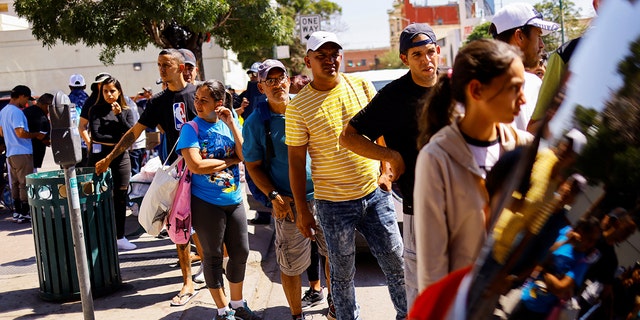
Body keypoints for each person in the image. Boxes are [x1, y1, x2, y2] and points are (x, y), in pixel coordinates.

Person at [286, 31, 407, 320]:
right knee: (341, 274)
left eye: (334, 54)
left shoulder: (361, 84)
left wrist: (385, 172)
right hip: (332, 204)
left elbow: (379, 131)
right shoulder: (298, 107)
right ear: (308, 61)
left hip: (375, 195)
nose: (330, 60)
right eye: (321, 56)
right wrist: (303, 210)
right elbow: (295, 162)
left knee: (396, 264)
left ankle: (409, 314)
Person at [413, 39, 533, 293]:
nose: (523, 100)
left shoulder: (524, 148)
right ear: (477, 90)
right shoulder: (437, 159)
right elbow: (432, 265)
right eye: (514, 88)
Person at [339, 22, 440, 309]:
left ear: (438, 51)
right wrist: (391, 156)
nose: (426, 60)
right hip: (418, 207)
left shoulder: (453, 90)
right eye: (417, 54)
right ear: (404, 59)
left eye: (430, 52)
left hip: (458, 206)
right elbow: (348, 137)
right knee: (420, 291)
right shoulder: (393, 96)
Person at [94, 49, 200, 306]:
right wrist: (109, 158)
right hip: (178, 170)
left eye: (166, 65)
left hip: (206, 168)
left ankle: (216, 263)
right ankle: (187, 282)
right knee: (179, 223)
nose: (162, 69)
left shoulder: (200, 93)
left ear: (181, 67)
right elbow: (134, 132)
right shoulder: (158, 101)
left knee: (208, 223)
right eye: (159, 65)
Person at [242, 59, 330, 320]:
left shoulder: (305, 106)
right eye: (270, 80)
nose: (277, 84)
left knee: (333, 256)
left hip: (326, 196)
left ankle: (336, 306)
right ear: (261, 87)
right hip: (289, 203)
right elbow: (253, 165)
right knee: (291, 264)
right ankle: (296, 315)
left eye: (281, 78)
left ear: (289, 80)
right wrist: (273, 196)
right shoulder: (257, 121)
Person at [177, 79, 260, 320]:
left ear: (218, 103)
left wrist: (232, 123)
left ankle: (237, 304)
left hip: (233, 199)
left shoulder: (228, 122)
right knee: (212, 255)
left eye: (204, 100)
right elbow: (196, 165)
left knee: (241, 252)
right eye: (196, 99)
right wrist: (231, 160)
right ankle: (223, 311)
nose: (198, 104)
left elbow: (246, 154)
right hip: (206, 202)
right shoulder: (190, 128)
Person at [510, 216, 602, 319]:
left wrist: (543, 268)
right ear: (580, 231)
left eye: (594, 242)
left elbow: (559, 288)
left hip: (539, 312)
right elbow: (541, 256)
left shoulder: (581, 263)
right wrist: (566, 242)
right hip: (524, 297)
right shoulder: (563, 234)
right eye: (589, 239)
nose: (591, 245)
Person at [490, 2, 559, 131]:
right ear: (520, 36)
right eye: (538, 35)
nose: (542, 45)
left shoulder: (535, 84)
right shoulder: (485, 89)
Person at [86, 75, 136, 250]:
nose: (109, 94)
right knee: (98, 197)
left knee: (120, 198)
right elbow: (97, 135)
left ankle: (120, 236)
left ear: (119, 91)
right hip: (99, 159)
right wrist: (120, 140)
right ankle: (102, 236)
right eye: (105, 91)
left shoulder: (127, 110)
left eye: (112, 91)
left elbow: (130, 134)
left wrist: (119, 115)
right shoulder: (95, 110)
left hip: (121, 159)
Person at [577, 208, 638, 319]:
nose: (627, 235)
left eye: (630, 233)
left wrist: (609, 314)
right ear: (617, 223)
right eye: (627, 230)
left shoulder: (611, 259)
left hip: (571, 296)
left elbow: (607, 292)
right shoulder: (593, 235)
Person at [0, 85, 44, 223]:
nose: (26, 103)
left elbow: (1, 132)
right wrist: (36, 134)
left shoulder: (4, 111)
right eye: (26, 99)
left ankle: (17, 212)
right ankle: (25, 212)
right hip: (23, 152)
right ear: (21, 96)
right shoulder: (17, 112)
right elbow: (20, 132)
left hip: (11, 153)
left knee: (15, 183)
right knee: (25, 183)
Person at [79, 72, 111, 166]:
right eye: (101, 84)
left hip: (115, 147)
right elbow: (81, 125)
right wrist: (89, 143)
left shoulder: (116, 99)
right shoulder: (91, 102)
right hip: (97, 147)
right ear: (97, 85)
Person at [23, 93, 52, 170]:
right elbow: (41, 136)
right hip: (32, 153)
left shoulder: (27, 111)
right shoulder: (40, 116)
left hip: (24, 153)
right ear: (46, 105)